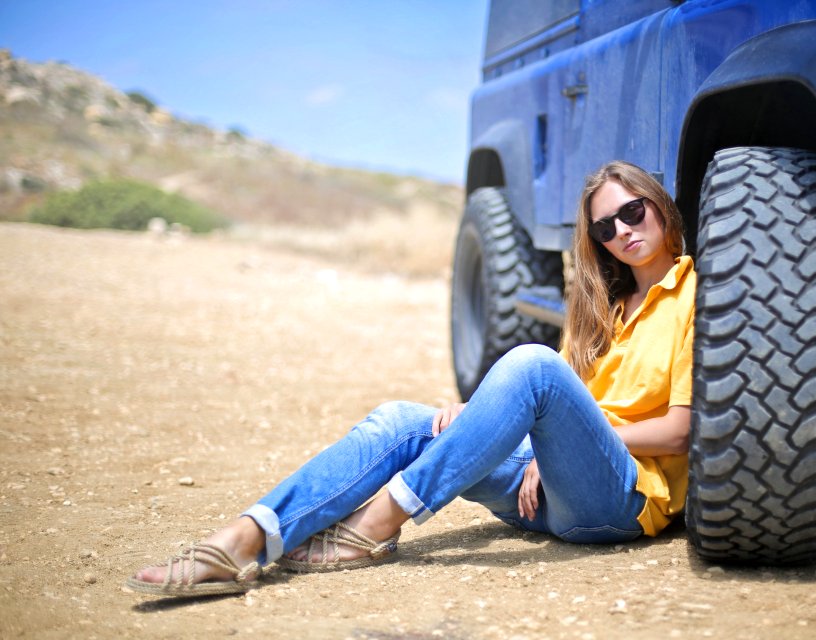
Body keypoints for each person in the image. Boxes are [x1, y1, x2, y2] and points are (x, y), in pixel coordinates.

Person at [127, 160, 696, 597]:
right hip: (544, 494)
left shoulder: (696, 295)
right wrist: (493, 427)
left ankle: (378, 523)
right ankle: (245, 539)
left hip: (620, 500)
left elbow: (679, 433)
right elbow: (553, 408)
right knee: (404, 419)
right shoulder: (599, 308)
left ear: (660, 206)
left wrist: (556, 450)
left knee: (533, 364)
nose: (621, 230)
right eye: (604, 226)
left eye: (632, 211)